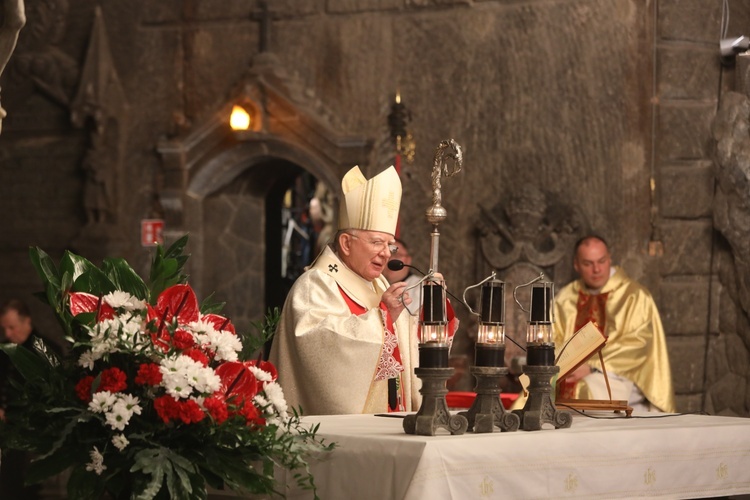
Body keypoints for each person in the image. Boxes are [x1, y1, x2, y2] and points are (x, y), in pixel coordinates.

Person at [269, 165, 422, 415]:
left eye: (390, 246)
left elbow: (401, 346)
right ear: (346, 244)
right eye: (376, 243)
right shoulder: (315, 285)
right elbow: (322, 348)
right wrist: (382, 318)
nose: (385, 253)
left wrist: (427, 322)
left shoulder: (379, 284)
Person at [553, 235, 676, 413]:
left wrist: (592, 366)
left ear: (610, 258)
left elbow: (638, 345)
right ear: (576, 265)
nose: (596, 269)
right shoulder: (565, 299)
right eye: (588, 263)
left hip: (619, 376)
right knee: (530, 399)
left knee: (587, 389)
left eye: (601, 261)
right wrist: (568, 366)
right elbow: (552, 339)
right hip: (568, 374)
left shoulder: (635, 296)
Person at [0, 299, 42, 499]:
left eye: (11, 327)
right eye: (4, 328)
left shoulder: (45, 351)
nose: (7, 334)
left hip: (30, 434)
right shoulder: (4, 349)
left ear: (27, 322)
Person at [382, 238, 423, 316]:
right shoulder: (374, 285)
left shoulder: (422, 287)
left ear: (408, 260)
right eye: (387, 255)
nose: (390, 260)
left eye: (396, 255)